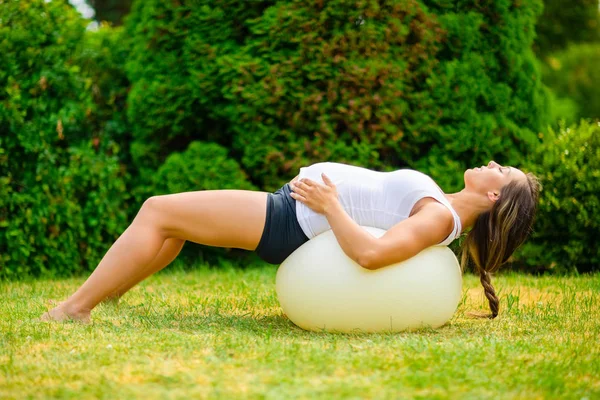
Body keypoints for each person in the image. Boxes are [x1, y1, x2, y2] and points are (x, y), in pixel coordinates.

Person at [42, 160, 540, 323]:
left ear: (494, 195)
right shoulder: (442, 205)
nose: (491, 164)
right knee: (174, 224)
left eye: (501, 170)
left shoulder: (438, 218)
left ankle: (76, 308)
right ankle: (106, 297)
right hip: (295, 210)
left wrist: (329, 206)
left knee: (158, 210)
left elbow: (370, 255)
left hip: (292, 220)